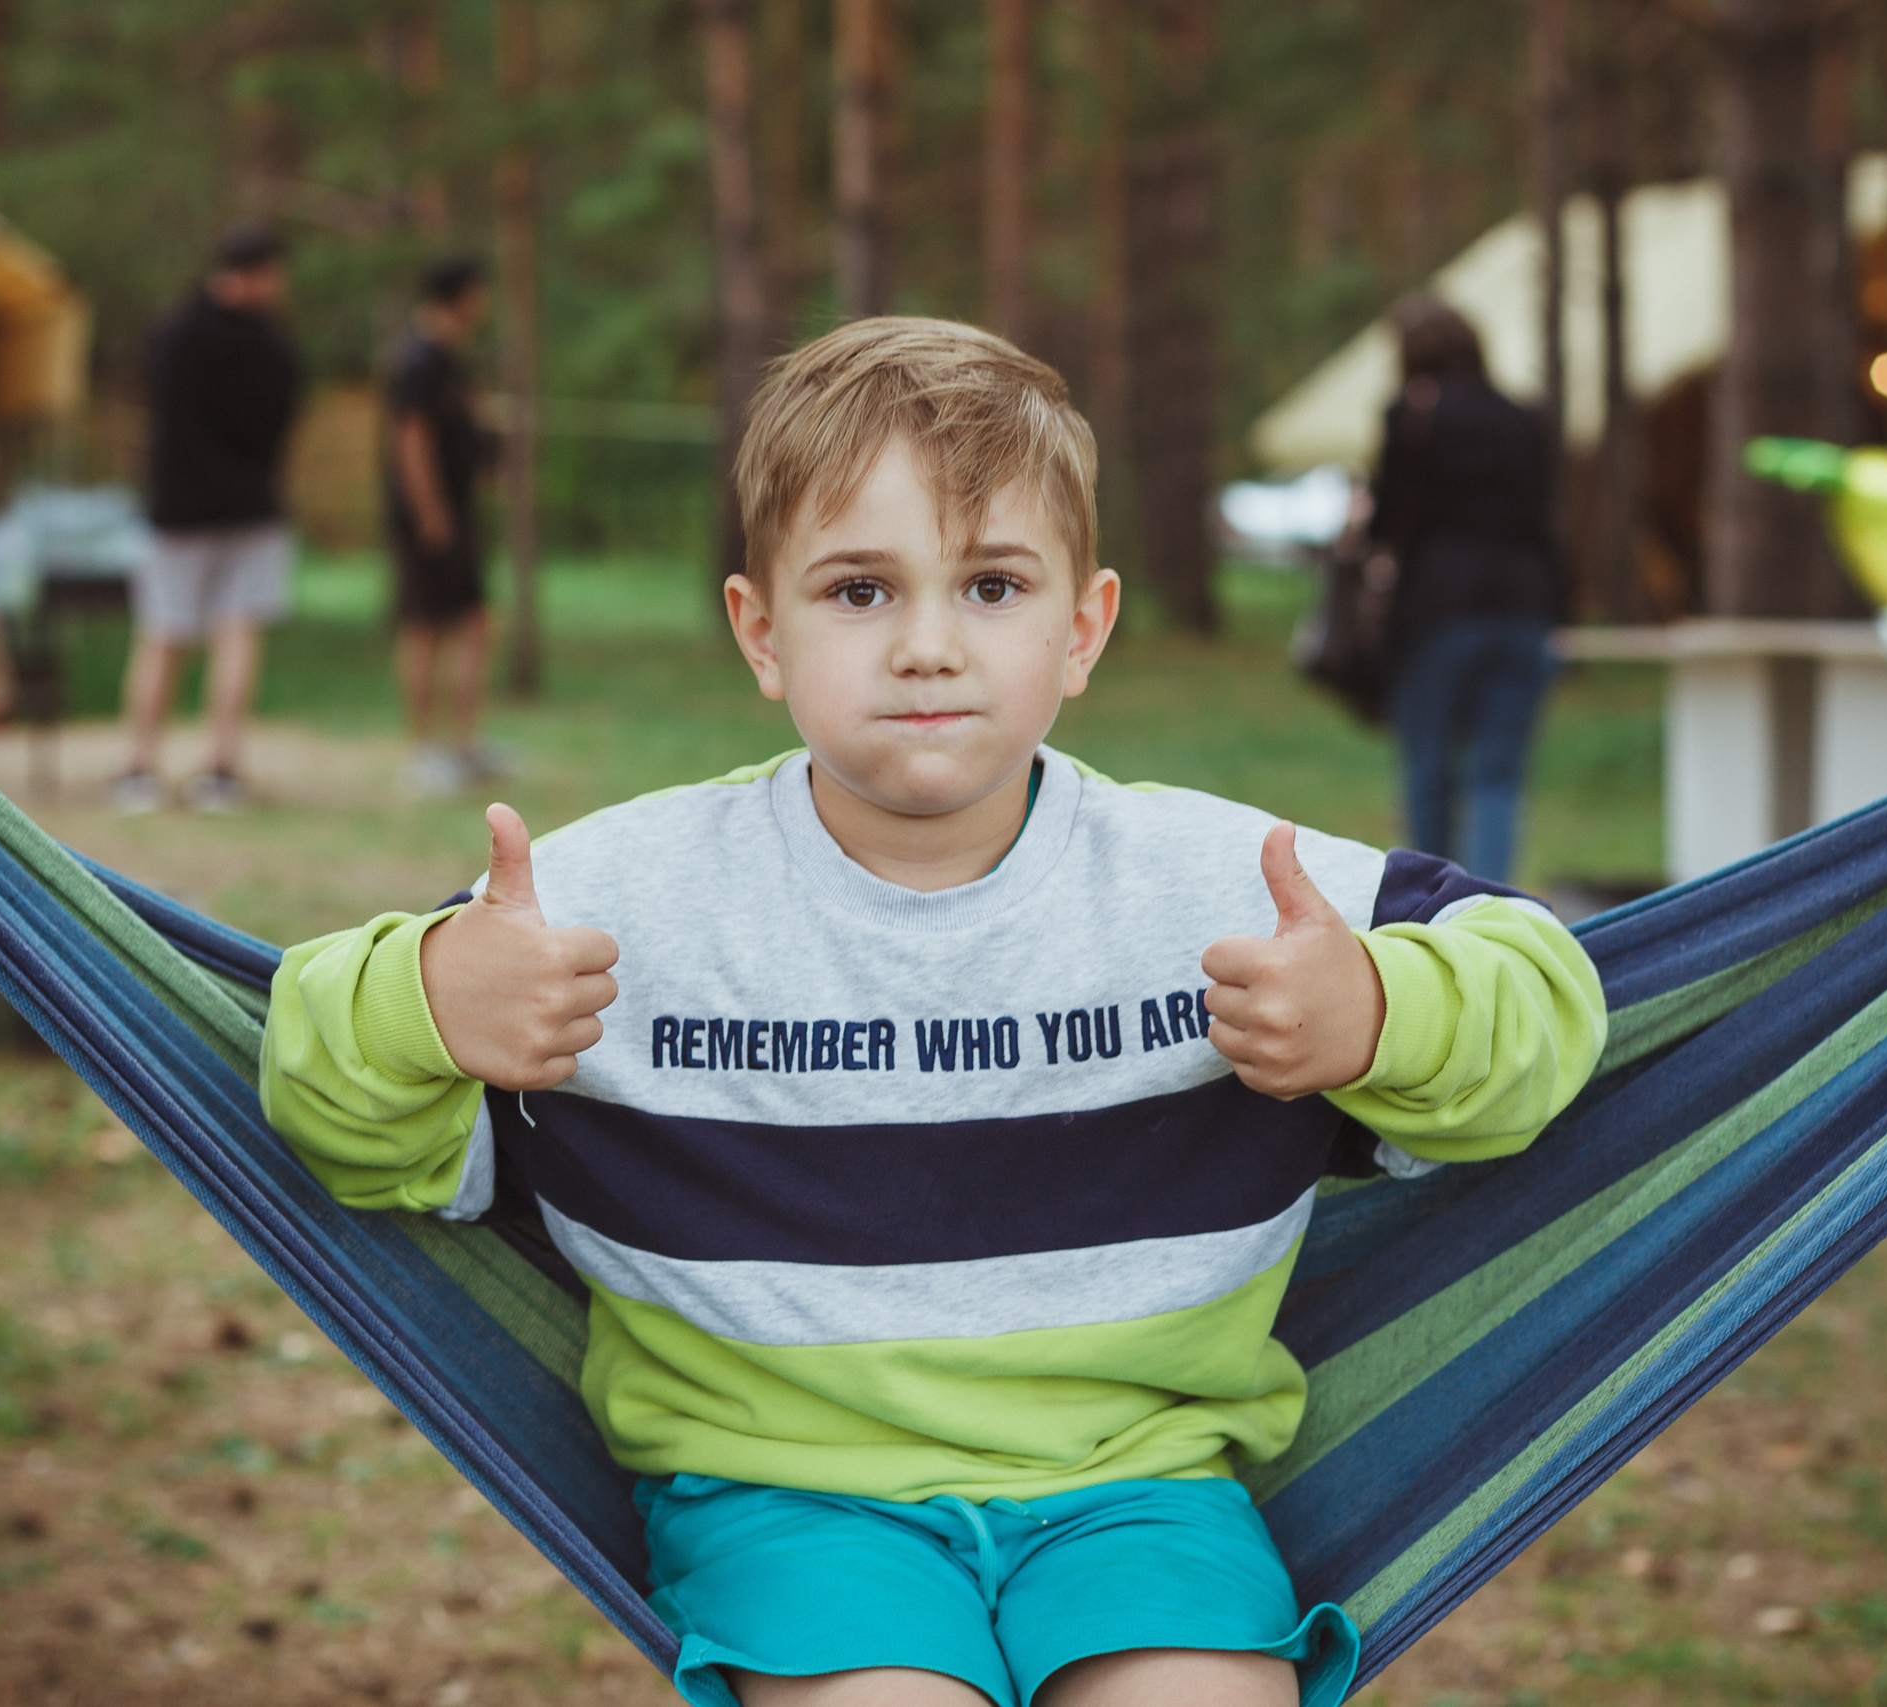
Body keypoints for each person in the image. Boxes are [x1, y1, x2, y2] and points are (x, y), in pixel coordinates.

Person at [260, 319, 1605, 1707]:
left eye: (993, 585)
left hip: (1143, 1491)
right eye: (858, 590)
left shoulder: (1230, 889)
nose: (926, 647)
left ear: (1082, 629)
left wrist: (1379, 1008)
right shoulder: (606, 907)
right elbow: (327, 1099)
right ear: (760, 633)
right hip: (788, 1495)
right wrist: (429, 997)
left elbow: (1548, 992)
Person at [1367, 297, 1566, 884]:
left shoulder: (1414, 417)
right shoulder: (1524, 418)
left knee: (1429, 766)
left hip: (1438, 608)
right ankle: (1490, 902)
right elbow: (1546, 517)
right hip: (1525, 608)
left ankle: (1437, 898)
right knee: (1498, 774)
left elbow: (1387, 523)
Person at [115, 225, 304, 815]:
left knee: (163, 636)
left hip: (179, 510)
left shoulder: (173, 334)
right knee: (233, 634)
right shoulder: (273, 349)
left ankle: (139, 768)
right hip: (246, 508)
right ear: (260, 274)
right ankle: (218, 769)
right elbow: (280, 427)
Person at [383, 254, 504, 795]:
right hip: (430, 524)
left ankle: (464, 746)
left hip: (456, 518)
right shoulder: (418, 360)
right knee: (424, 628)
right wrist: (431, 515)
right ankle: (421, 748)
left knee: (473, 624)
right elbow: (410, 439)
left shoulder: (451, 360)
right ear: (463, 295)